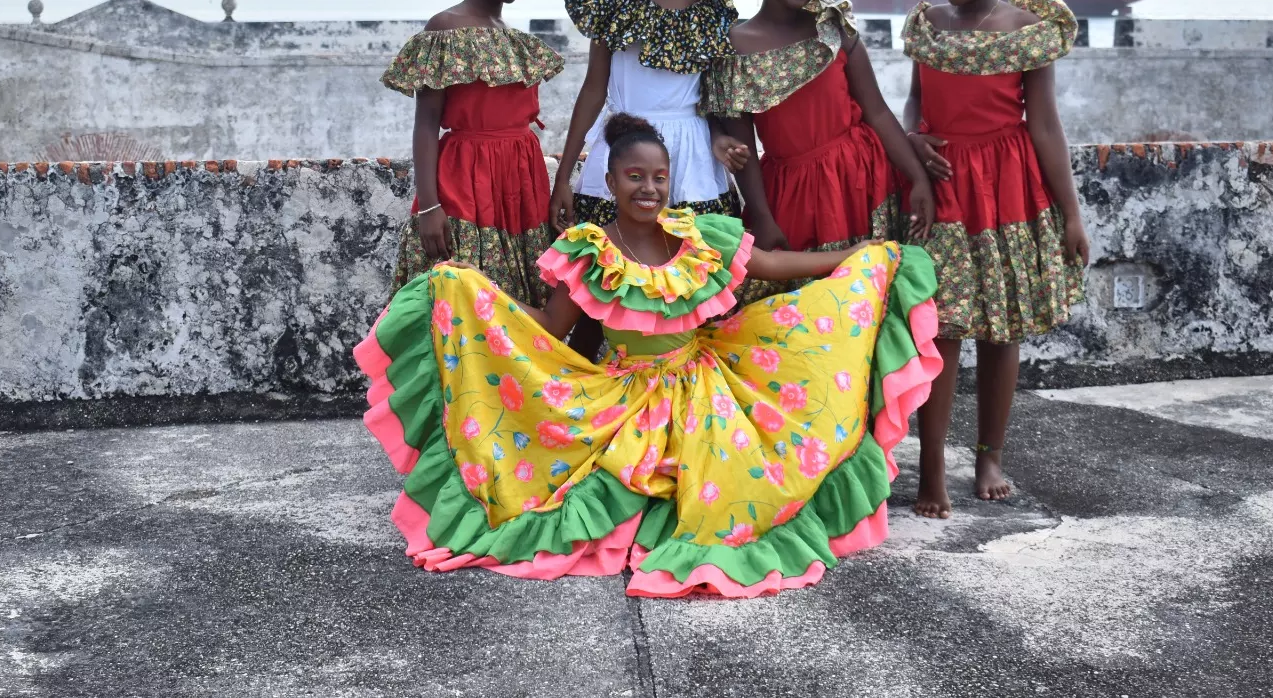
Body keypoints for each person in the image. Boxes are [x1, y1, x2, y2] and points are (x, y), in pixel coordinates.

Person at [356, 113, 942, 598]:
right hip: (629, 390)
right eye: (635, 177)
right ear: (609, 182)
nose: (649, 189)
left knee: (749, 465)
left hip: (708, 381)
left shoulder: (698, 235)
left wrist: (853, 256)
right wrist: (473, 293)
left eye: (659, 177)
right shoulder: (590, 251)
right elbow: (548, 328)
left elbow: (771, 265)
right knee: (598, 479)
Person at [901, 0, 1090, 519]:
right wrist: (913, 140)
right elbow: (914, 102)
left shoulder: (1025, 31)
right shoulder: (927, 24)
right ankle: (932, 471)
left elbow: (1045, 126)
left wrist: (1070, 212)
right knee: (944, 330)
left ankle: (988, 456)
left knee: (1001, 329)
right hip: (947, 182)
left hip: (1009, 185)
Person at [704, 0, 937, 291]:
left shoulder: (833, 28)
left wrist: (917, 177)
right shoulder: (734, 47)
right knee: (807, 313)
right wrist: (760, 214)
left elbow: (878, 112)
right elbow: (744, 153)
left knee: (870, 303)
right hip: (792, 198)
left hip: (864, 182)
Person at [381, 0, 564, 305]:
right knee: (460, 302)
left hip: (520, 188)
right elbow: (426, 125)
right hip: (464, 183)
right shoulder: (445, 28)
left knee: (514, 307)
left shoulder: (514, 40)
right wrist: (429, 206)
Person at [548, 0, 743, 235]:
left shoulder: (714, 2)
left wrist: (719, 136)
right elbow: (593, 89)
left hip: (695, 161)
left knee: (692, 277)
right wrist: (563, 178)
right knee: (617, 277)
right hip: (624, 150)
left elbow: (713, 90)